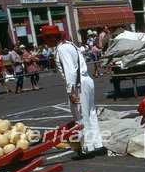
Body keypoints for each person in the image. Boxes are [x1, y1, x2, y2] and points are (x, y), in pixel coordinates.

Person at [40, 25, 104, 159]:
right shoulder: (69, 45)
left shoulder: (62, 49)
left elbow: (70, 72)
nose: (44, 42)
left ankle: (87, 147)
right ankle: (96, 144)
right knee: (90, 114)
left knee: (81, 116)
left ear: (52, 37)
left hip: (78, 84)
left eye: (45, 38)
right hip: (85, 81)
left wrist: (71, 92)